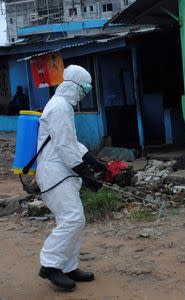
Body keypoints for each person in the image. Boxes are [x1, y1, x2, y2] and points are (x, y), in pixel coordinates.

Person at [36, 65, 104, 290]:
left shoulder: (62, 105)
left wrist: (92, 160)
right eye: (84, 88)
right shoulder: (60, 107)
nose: (85, 93)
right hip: (54, 173)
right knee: (73, 218)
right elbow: (64, 145)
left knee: (73, 219)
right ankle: (50, 264)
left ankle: (68, 266)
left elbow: (71, 142)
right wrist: (85, 173)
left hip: (62, 172)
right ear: (73, 85)